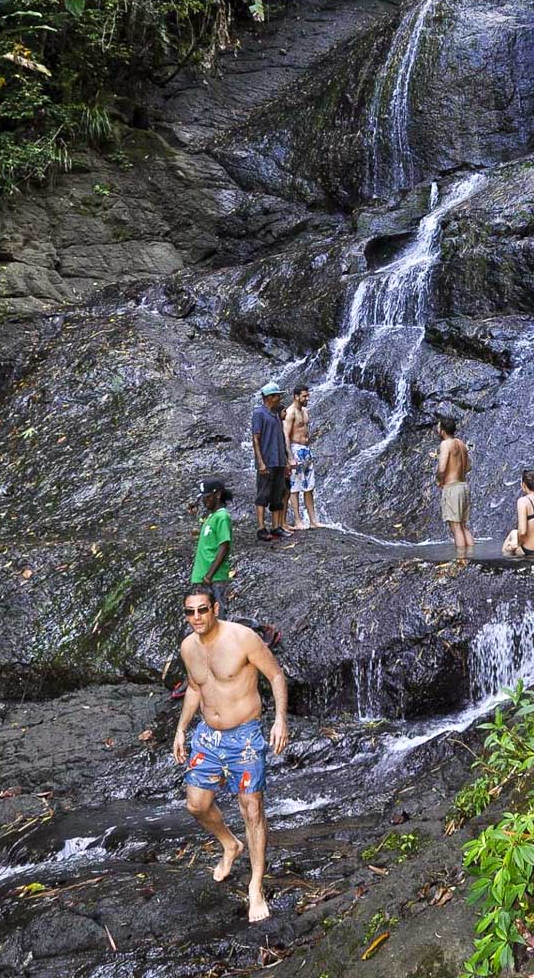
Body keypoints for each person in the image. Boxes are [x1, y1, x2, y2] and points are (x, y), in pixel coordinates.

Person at [173, 585, 289, 922]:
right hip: (207, 737)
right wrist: (182, 728)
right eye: (190, 611)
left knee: (251, 809)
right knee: (196, 804)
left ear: (216, 608)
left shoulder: (243, 639)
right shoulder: (188, 647)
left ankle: (256, 886)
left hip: (245, 737)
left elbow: (276, 675)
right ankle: (230, 844)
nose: (196, 617)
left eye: (202, 609)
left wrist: (280, 720)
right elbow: (196, 687)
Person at [251, 382, 290, 541]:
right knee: (263, 494)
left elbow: (280, 437)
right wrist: (260, 462)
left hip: (279, 460)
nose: (279, 398)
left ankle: (276, 527)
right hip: (267, 461)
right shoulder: (259, 413)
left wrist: (286, 461)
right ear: (268, 397)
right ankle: (261, 528)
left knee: (278, 494)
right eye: (277, 395)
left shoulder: (275, 414)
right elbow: (256, 438)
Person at [190, 478, 234, 615]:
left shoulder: (222, 516)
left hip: (214, 577)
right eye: (203, 498)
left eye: (208, 497)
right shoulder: (211, 517)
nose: (204, 501)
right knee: (207, 617)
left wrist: (209, 575)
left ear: (218, 495)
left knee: (219, 615)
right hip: (202, 576)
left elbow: (224, 546)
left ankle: (254, 627)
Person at [283, 385, 321, 529]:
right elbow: (286, 435)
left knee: (309, 487)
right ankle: (298, 520)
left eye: (307, 395)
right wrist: (290, 457)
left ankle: (313, 520)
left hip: (306, 451)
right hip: (295, 449)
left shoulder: (305, 411)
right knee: (294, 487)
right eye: (304, 396)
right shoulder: (290, 412)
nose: (307, 398)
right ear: (296, 396)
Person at [436, 414, 474, 549]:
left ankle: (462, 560)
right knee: (463, 526)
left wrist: (439, 480)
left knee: (456, 528)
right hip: (464, 486)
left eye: (438, 426)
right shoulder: (461, 443)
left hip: (452, 488)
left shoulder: (446, 444)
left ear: (442, 430)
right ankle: (471, 557)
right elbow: (468, 467)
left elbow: (442, 468)